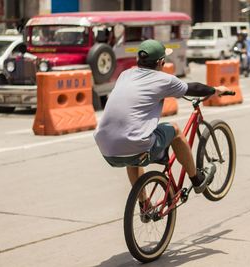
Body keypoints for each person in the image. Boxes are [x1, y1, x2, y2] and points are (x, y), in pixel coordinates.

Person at [94, 39, 229, 203]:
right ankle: (197, 179)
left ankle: (144, 204)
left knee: (133, 147)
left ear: (139, 60)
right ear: (161, 62)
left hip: (107, 149)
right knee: (176, 131)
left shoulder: (125, 75)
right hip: (135, 145)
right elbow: (193, 88)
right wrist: (215, 90)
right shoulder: (164, 80)